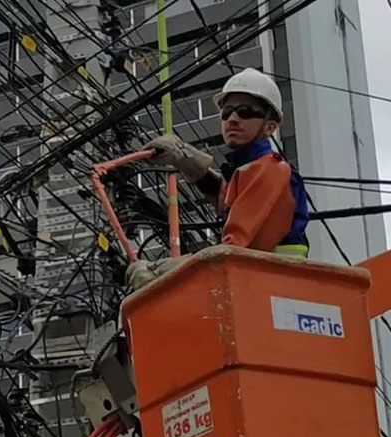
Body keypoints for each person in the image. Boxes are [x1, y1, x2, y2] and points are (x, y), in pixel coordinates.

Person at [126, 68, 309, 288]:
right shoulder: (245, 170)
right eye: (227, 112)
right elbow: (225, 199)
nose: (232, 119)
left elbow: (231, 248)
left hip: (276, 284)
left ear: (270, 126)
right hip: (269, 283)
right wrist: (185, 157)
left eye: (245, 111)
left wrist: (158, 271)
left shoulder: (270, 169)